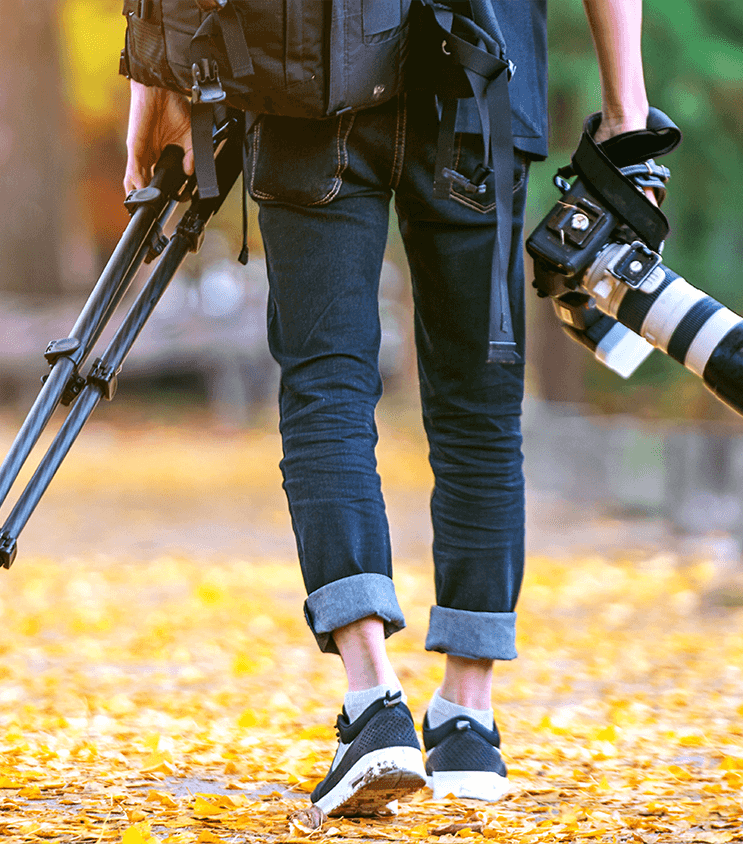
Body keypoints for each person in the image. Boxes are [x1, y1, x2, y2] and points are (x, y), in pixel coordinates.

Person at [124, 0, 655, 819]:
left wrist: (160, 83)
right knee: (480, 405)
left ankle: (374, 704)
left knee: (328, 387)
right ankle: (469, 718)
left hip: (304, 67)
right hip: (484, 71)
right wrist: (627, 114)